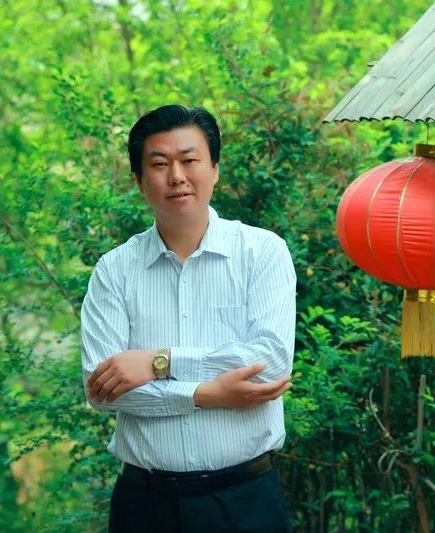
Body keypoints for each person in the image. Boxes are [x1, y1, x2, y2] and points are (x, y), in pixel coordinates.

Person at [80, 105, 296, 532]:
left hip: (246, 501)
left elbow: (269, 364)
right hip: (145, 505)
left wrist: (159, 362)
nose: (176, 175)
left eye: (189, 160)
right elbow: (103, 389)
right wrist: (207, 393)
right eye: (159, 164)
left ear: (214, 168)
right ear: (140, 181)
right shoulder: (114, 270)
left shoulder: (262, 252)